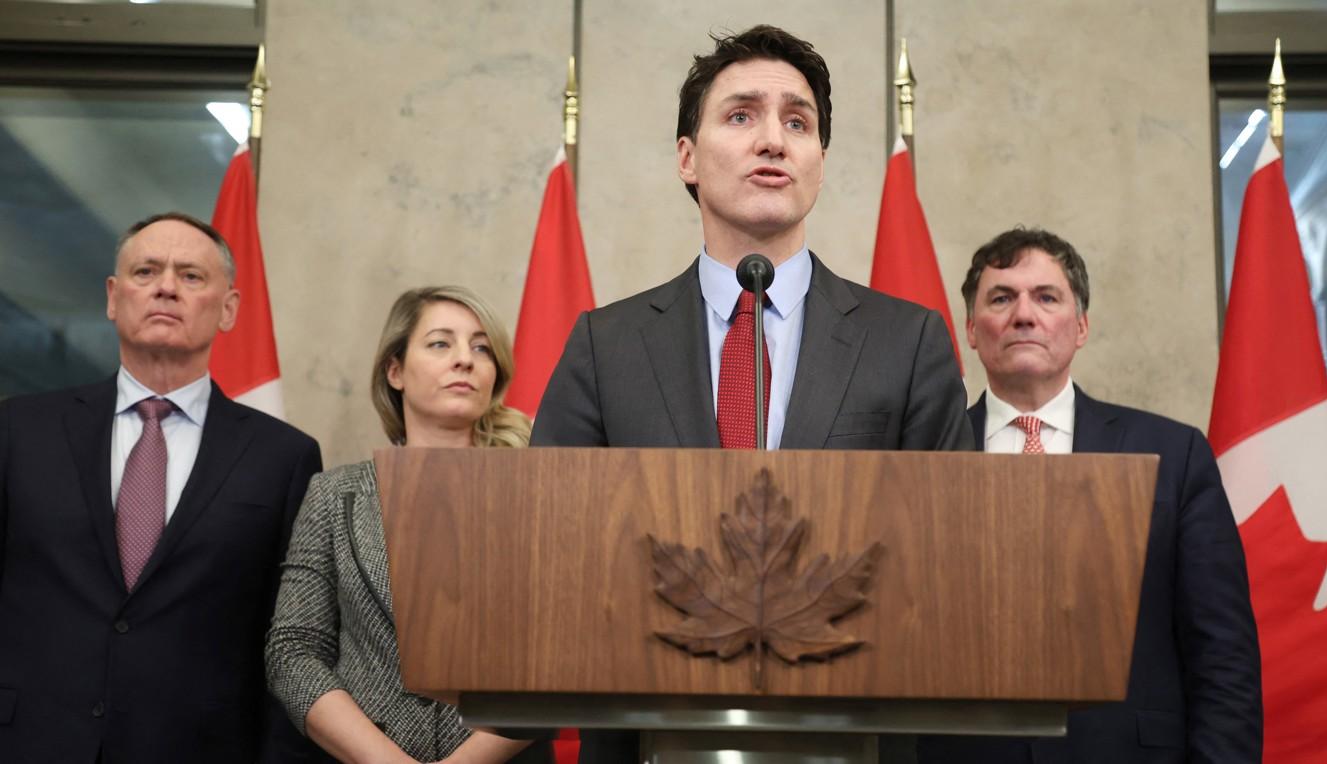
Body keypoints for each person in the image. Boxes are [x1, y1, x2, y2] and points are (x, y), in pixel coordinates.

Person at [530, 25, 972, 764]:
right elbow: (549, 545)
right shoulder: (606, 346)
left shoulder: (908, 341)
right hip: (648, 737)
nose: (773, 140)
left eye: (797, 123)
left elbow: (954, 555)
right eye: (741, 116)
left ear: (820, 164)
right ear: (687, 158)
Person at [917, 227, 1262, 763]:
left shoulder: (1173, 454)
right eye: (1002, 298)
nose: (1024, 315)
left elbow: (1222, 654)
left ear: (1080, 327)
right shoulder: (924, 459)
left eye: (1046, 297)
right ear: (970, 329)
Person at [0, 211, 323, 762]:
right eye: (146, 271)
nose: (167, 287)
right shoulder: (18, 430)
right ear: (112, 296)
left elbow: (291, 639)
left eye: (191, 276)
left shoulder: (285, 457)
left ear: (228, 309)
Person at [265, 286, 550, 764]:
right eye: (441, 343)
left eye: (481, 348)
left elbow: (563, 659)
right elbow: (294, 650)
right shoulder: (335, 495)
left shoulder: (541, 494)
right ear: (394, 371)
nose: (465, 360)